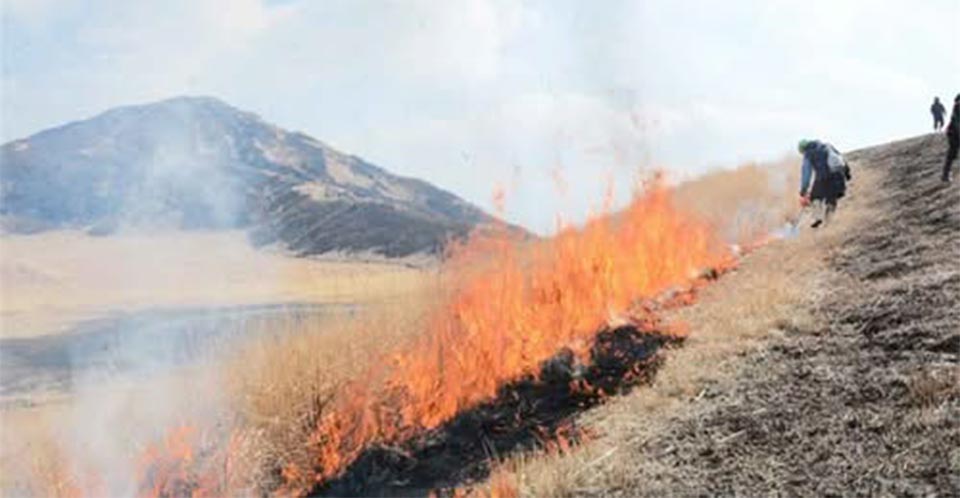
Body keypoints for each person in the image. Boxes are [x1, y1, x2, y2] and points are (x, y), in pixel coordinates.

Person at [798, 138, 851, 227]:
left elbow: (806, 173)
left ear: (803, 149)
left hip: (823, 178)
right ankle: (828, 223)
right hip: (838, 175)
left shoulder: (808, 154)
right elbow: (841, 159)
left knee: (815, 197)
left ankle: (818, 217)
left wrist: (804, 189)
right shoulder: (827, 146)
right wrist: (847, 173)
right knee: (832, 199)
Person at [942, 94, 960, 182]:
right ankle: (945, 175)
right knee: (952, 153)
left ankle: (945, 174)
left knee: (953, 154)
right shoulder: (957, 107)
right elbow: (957, 123)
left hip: (954, 132)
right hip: (953, 133)